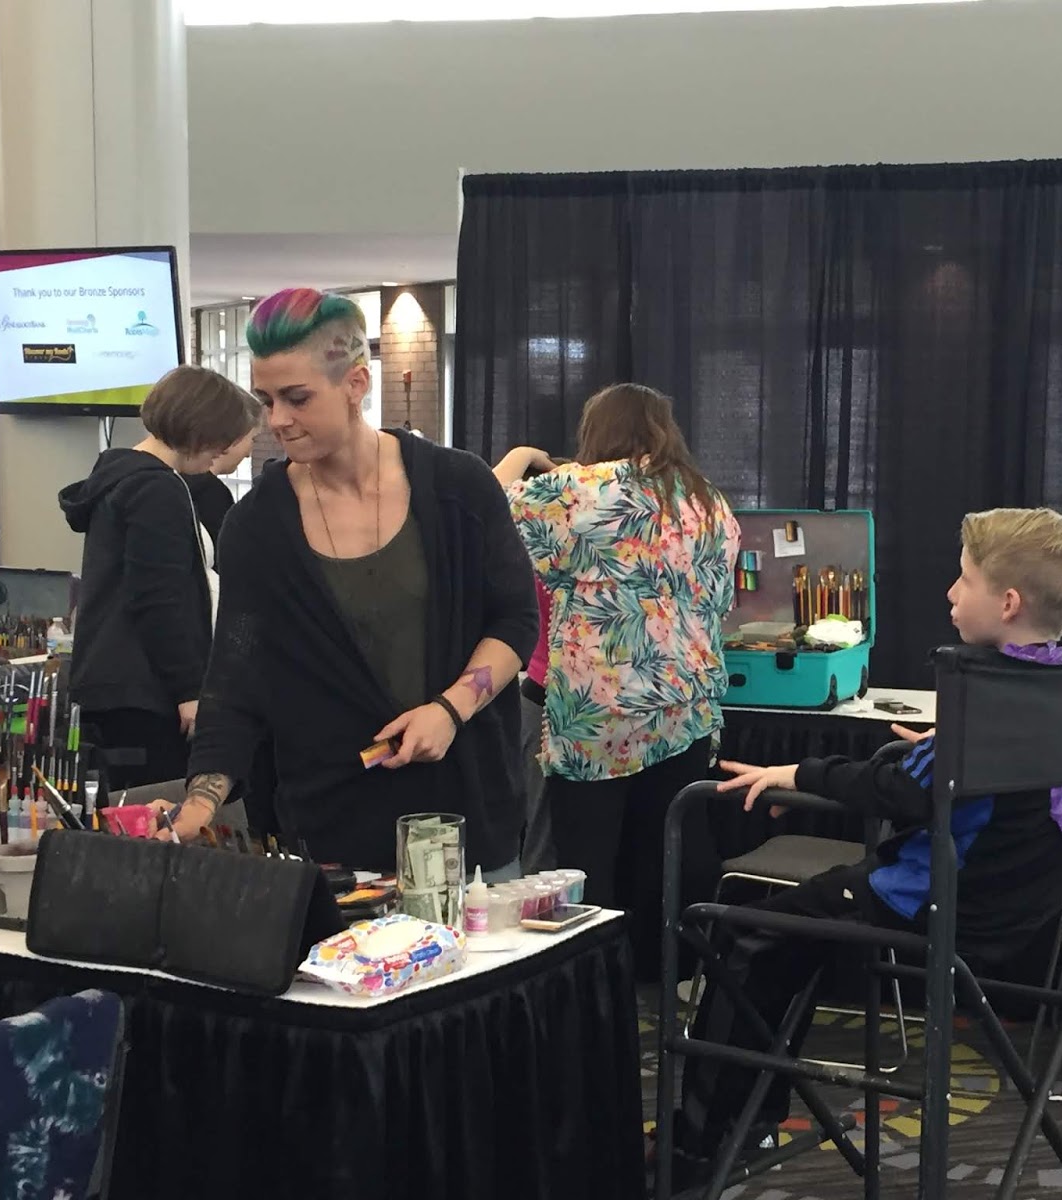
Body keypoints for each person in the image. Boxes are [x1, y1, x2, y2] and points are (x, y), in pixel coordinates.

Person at [666, 507, 1062, 1183]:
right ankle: (751, 1116)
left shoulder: (984, 694)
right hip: (1024, 908)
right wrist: (936, 750)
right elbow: (958, 776)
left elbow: (901, 792)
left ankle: (700, 1143)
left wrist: (796, 773)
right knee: (791, 933)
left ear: (1009, 603)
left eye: (964, 580)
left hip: (937, 905)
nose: (950, 593)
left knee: (745, 935)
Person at [157, 288, 537, 880]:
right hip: (334, 833)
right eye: (267, 400)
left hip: (470, 820)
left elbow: (515, 619)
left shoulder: (459, 487)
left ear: (356, 383)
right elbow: (235, 681)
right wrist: (200, 806)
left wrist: (450, 710)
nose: (277, 420)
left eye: (297, 398)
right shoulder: (256, 527)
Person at [506, 384, 739, 975]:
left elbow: (483, 509)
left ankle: (596, 989)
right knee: (664, 852)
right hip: (684, 706)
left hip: (598, 710)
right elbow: (720, 600)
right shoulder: (706, 499)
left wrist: (522, 456)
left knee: (586, 865)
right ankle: (665, 978)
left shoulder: (580, 489)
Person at [60, 365, 259, 791]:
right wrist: (190, 690)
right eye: (221, 440)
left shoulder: (120, 477)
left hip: (116, 690)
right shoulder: (157, 489)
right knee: (156, 818)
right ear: (200, 430)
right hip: (144, 694)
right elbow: (159, 599)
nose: (221, 453)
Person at [492, 446, 567, 874]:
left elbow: (492, 491)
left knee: (542, 835)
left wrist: (522, 455)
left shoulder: (532, 543)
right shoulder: (549, 544)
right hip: (543, 705)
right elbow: (483, 495)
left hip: (540, 698)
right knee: (543, 839)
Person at [184, 424, 259, 561]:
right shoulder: (213, 494)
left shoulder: (177, 481)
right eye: (252, 440)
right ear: (232, 438)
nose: (248, 454)